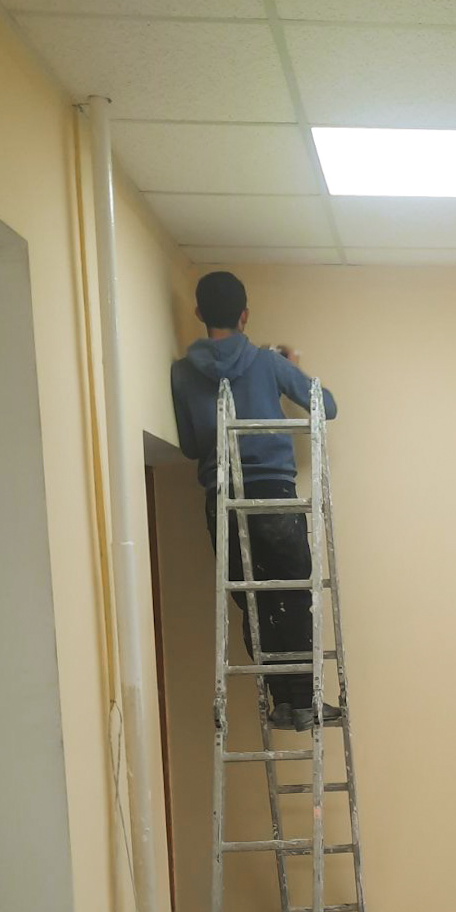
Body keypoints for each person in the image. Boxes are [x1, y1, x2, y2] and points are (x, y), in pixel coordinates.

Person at [170, 270, 340, 732]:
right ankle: (304, 702)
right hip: (272, 495)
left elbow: (190, 445)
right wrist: (290, 366)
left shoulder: (182, 372)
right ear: (244, 315)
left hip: (222, 499)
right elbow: (326, 406)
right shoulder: (266, 362)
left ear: (199, 313)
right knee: (293, 595)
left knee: (254, 601)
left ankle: (282, 702)